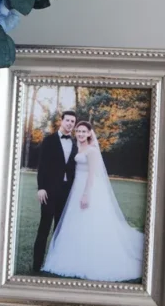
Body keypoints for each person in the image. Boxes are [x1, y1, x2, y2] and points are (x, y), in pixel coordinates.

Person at [43, 121, 145, 282]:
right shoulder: (78, 148)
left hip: (87, 189)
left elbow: (92, 175)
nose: (81, 134)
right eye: (78, 131)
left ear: (90, 133)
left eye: (84, 131)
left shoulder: (92, 151)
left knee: (89, 221)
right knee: (74, 222)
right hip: (76, 188)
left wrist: (86, 194)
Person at [32, 111, 77, 273]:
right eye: (68, 120)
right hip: (49, 191)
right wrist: (41, 188)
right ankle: (36, 265)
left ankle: (54, 265)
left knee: (59, 230)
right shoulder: (49, 140)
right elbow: (42, 166)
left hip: (66, 193)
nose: (70, 123)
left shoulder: (75, 143)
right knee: (44, 228)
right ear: (61, 121)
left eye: (73, 121)